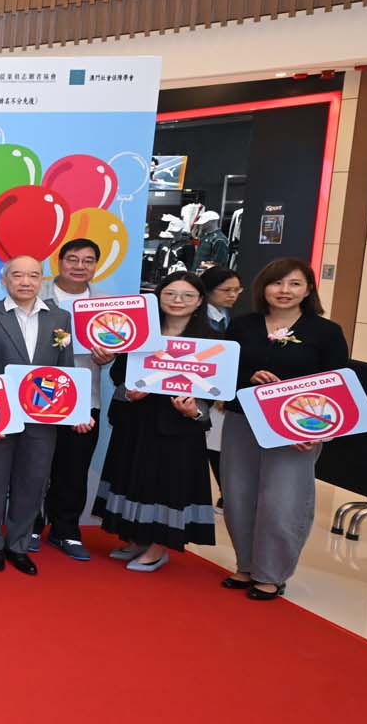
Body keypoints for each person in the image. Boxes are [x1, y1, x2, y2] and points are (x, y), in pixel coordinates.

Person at [219, 258, 350, 601]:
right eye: (277, 283)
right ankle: (246, 565)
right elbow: (223, 372)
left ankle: (271, 573)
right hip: (243, 419)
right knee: (238, 496)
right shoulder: (242, 326)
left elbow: (336, 385)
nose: (284, 291)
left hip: (297, 427)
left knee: (283, 501)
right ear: (263, 288)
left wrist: (316, 431)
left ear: (308, 290)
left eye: (294, 284)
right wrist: (248, 377)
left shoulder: (326, 332)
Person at [0, 255, 90, 574]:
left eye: (33, 275)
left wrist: (76, 410)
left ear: (42, 280)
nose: (25, 282)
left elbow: (65, 369)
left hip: (43, 417)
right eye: (18, 275)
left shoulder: (60, 318)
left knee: (33, 482)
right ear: (4, 280)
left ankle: (18, 545)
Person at [95, 273, 216, 571]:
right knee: (135, 479)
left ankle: (158, 547)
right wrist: (128, 392)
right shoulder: (140, 331)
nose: (178, 301)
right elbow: (119, 374)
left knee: (167, 485)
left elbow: (216, 388)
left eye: (187, 295)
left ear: (199, 301)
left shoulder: (212, 340)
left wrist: (194, 410)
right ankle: (138, 539)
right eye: (170, 294)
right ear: (158, 297)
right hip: (137, 421)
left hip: (178, 428)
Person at [37, 237, 110, 561]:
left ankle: (65, 529)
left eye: (88, 261)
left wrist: (109, 355)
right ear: (59, 261)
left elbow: (122, 346)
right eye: (73, 259)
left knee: (73, 468)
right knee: (34, 467)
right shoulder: (35, 293)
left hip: (84, 398)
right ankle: (30, 525)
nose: (80, 266)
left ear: (96, 265)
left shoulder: (107, 304)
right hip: (38, 396)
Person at [198, 265, 243, 496]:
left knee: (218, 444)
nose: (232, 295)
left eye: (237, 290)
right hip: (203, 389)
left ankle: (227, 494)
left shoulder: (226, 315)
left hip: (222, 390)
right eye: (226, 290)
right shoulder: (199, 318)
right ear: (208, 290)